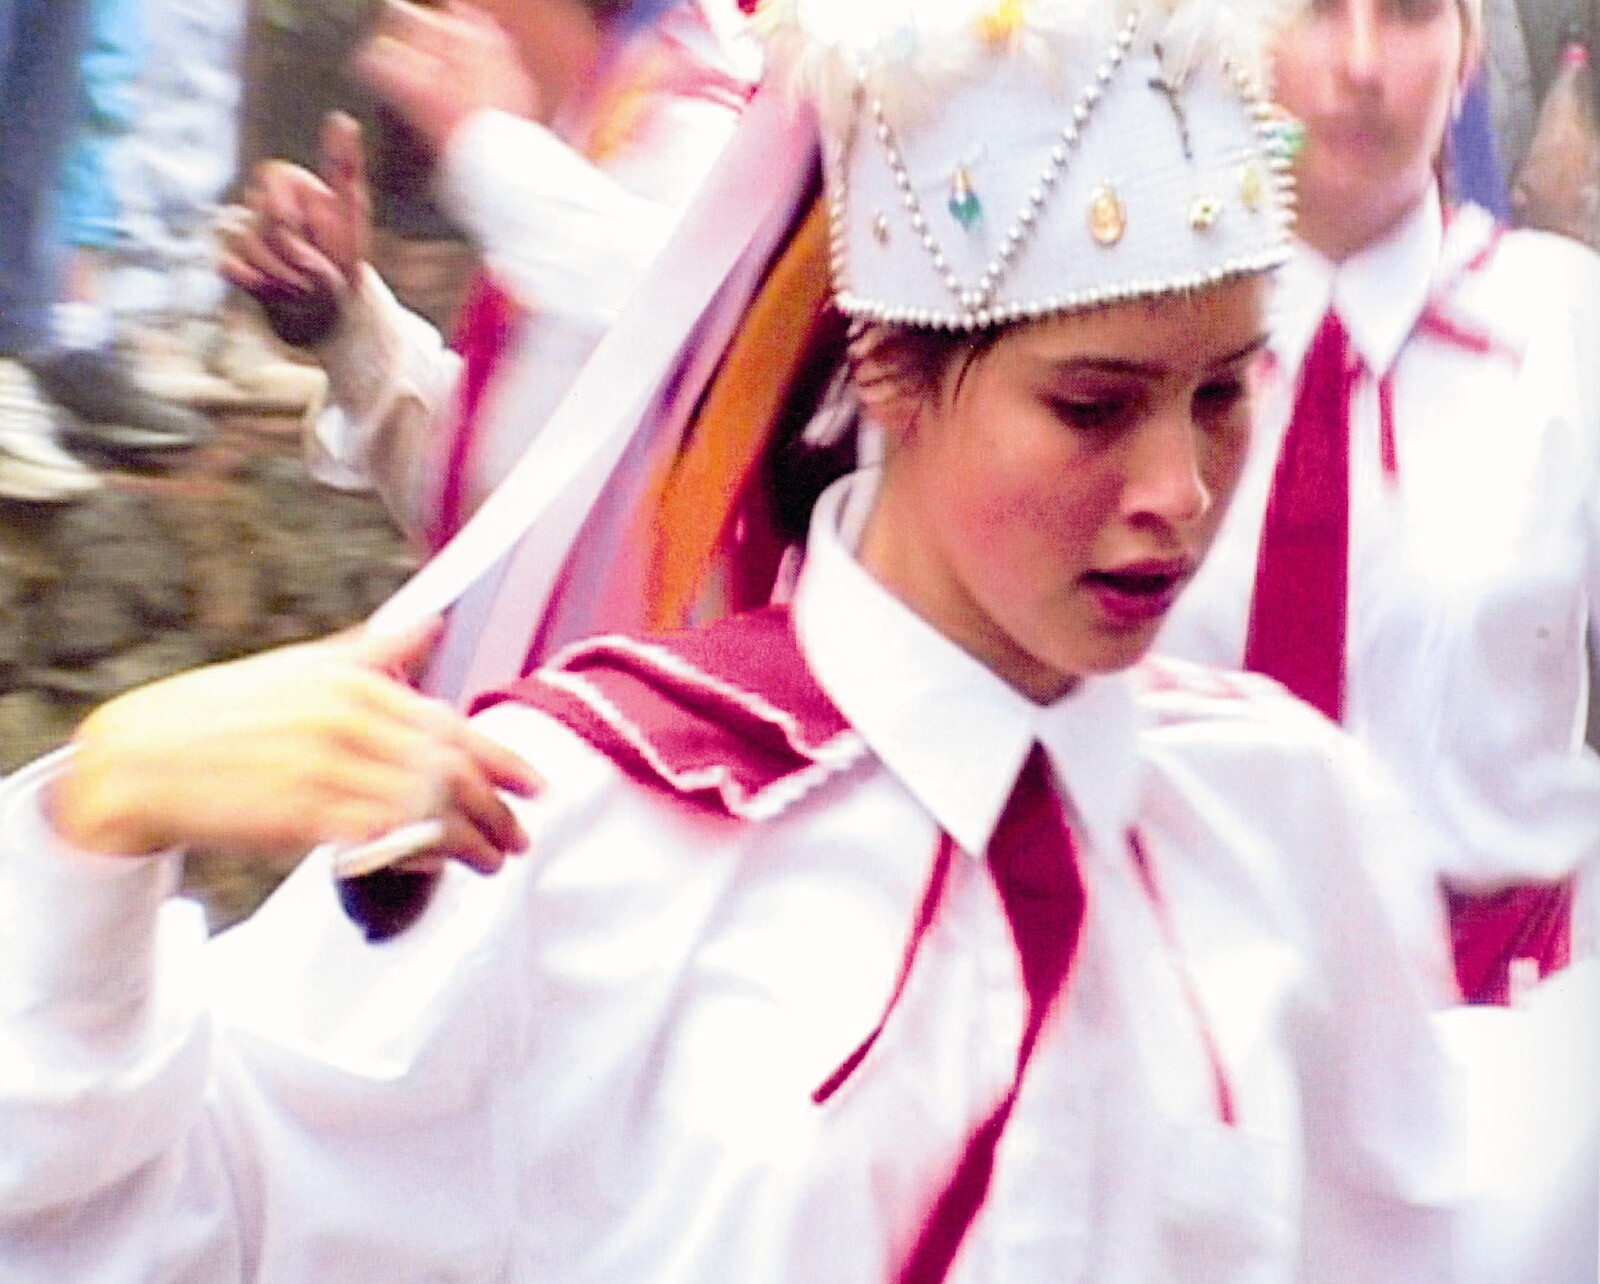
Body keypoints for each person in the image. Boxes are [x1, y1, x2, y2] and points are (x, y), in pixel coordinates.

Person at [0, 0, 1490, 1277]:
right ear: (892, 371)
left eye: (1226, 394)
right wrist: (89, 840)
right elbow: (171, 1227)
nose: (1177, 492)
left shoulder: (1287, 819)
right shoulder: (568, 820)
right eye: (1091, 407)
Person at [1154, 0, 1600, 1005]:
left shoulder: (1569, 327)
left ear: (1469, 46)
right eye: (1314, 10)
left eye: (1405, 12)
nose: (1359, 63)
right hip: (1177, 1041)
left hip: (1498, 1043)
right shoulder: (1126, 351)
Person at [221, 0, 756, 551]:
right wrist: (342, 321)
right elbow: (496, 501)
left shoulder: (710, 108)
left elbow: (702, 331)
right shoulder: (579, 131)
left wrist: (488, 148)